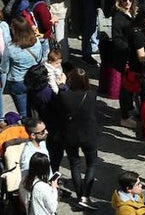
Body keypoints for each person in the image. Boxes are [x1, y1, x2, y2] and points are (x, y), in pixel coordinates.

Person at [53, 68, 100, 209]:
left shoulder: (64, 95)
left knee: (75, 164)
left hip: (70, 134)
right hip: (88, 134)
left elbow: (59, 110)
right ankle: (85, 196)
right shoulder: (91, 95)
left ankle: (80, 195)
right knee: (91, 164)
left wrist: (61, 86)